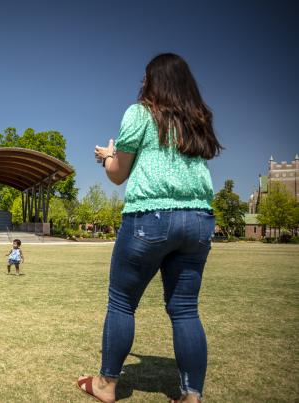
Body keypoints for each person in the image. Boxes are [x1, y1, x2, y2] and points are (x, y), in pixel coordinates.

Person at [77, 53, 222, 403]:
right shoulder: (199, 120)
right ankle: (191, 396)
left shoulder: (140, 113)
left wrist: (107, 158)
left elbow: (118, 174)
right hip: (198, 220)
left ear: (153, 81)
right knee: (185, 308)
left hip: (150, 217)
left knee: (122, 302)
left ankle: (106, 385)